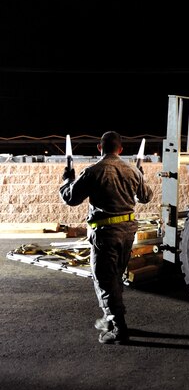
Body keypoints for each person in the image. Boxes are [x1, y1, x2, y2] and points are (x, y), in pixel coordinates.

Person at [59, 131, 154, 344]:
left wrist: (67, 180)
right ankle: (110, 318)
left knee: (104, 280)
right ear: (120, 149)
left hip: (105, 235)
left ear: (99, 148)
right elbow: (146, 197)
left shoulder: (93, 172)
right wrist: (140, 175)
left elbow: (71, 198)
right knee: (115, 277)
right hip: (127, 232)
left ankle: (119, 329)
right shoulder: (132, 171)